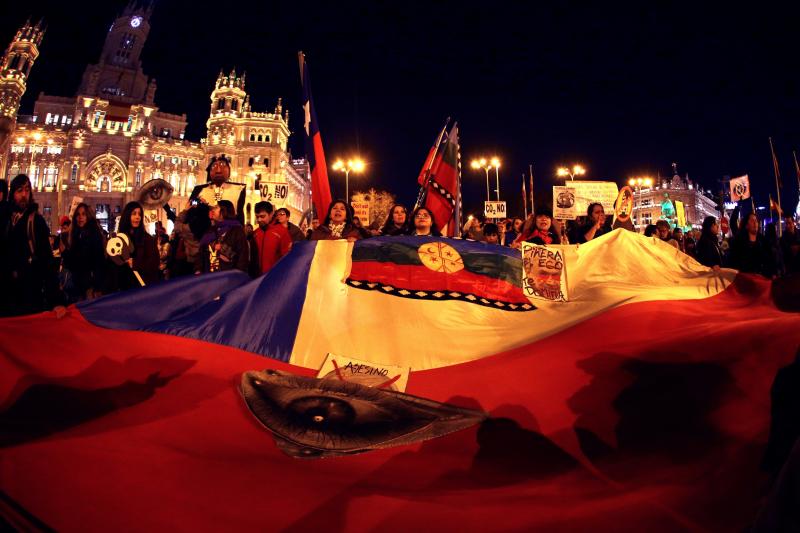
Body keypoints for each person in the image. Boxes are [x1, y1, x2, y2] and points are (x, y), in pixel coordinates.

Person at [0, 174, 63, 316]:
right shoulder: (6, 220)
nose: (24, 195)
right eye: (20, 190)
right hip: (6, 295)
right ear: (12, 194)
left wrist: (56, 301)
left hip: (29, 295)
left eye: (27, 190)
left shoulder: (36, 221)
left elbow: (47, 262)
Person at [105, 201, 160, 292]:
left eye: (139, 214)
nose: (137, 217)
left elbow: (154, 263)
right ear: (127, 216)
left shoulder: (147, 239)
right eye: (134, 214)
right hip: (122, 287)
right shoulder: (119, 239)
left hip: (140, 287)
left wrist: (135, 263)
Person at [62, 202, 106, 302]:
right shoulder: (75, 235)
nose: (80, 217)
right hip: (77, 285)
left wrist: (98, 287)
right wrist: (64, 251)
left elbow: (99, 261)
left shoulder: (94, 235)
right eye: (78, 214)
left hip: (90, 285)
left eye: (83, 214)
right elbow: (73, 262)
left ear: (88, 216)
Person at [188, 155, 246, 222]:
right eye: (214, 166)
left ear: (229, 170)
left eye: (222, 165)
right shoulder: (199, 190)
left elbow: (240, 215)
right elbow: (190, 213)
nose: (218, 170)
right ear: (210, 172)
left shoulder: (238, 189)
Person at [200, 200, 250, 273]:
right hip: (209, 275)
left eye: (216, 207)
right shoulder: (211, 230)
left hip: (228, 276)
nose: (212, 210)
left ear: (224, 211)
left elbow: (242, 257)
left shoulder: (237, 230)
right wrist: (198, 269)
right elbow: (201, 251)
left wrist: (238, 275)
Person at [729, 212, 776, 278]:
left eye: (756, 220)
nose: (755, 223)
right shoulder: (739, 242)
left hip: (761, 279)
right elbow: (734, 262)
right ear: (746, 225)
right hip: (745, 280)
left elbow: (770, 260)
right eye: (752, 220)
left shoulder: (764, 241)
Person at [252, 201, 292, 275]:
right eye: (257, 217)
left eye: (262, 216)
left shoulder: (282, 232)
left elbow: (287, 258)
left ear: (271, 214)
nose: (259, 220)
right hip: (256, 278)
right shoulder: (255, 233)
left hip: (274, 277)